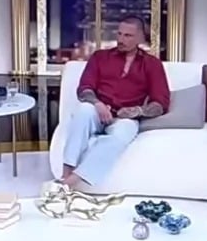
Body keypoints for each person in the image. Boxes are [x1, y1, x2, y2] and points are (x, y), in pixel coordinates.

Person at [59, 15, 169, 190]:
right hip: (98, 110)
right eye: (119, 34)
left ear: (140, 38)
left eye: (128, 35)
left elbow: (161, 103)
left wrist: (137, 111)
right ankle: (65, 173)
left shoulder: (152, 64)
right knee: (84, 110)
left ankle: (69, 183)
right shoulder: (100, 57)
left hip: (125, 118)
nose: (121, 39)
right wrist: (98, 104)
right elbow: (84, 88)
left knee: (122, 135)